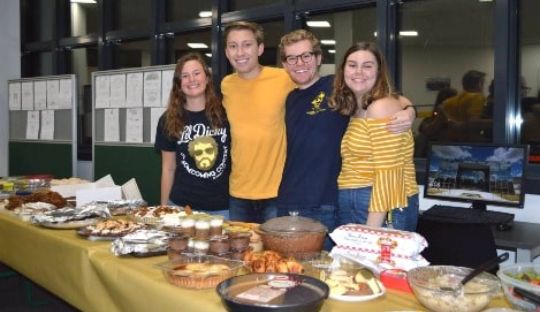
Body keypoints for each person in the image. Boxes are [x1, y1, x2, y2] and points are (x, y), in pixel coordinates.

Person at [277, 30, 417, 245]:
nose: (299, 63)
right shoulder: (299, 98)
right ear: (284, 64)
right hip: (297, 198)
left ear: (319, 58)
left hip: (330, 202)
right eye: (292, 58)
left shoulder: (336, 86)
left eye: (306, 55)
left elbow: (392, 98)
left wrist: (409, 110)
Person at [330, 42, 419, 231]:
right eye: (352, 65)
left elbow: (388, 176)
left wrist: (371, 231)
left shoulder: (380, 107)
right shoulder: (357, 108)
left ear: (379, 72)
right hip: (357, 200)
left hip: (377, 205)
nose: (358, 72)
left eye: (367, 66)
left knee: (375, 260)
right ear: (343, 70)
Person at [220, 21, 297, 223]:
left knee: (274, 255)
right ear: (226, 52)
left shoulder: (283, 78)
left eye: (247, 44)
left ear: (260, 48)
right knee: (239, 254)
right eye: (233, 46)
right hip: (238, 193)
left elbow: (319, 90)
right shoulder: (226, 85)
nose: (240, 52)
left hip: (277, 192)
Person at [155, 52, 230, 218]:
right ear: (178, 83)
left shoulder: (226, 114)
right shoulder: (168, 120)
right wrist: (164, 209)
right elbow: (168, 168)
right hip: (182, 207)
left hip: (222, 209)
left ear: (207, 77)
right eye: (185, 76)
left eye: (197, 73)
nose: (192, 80)